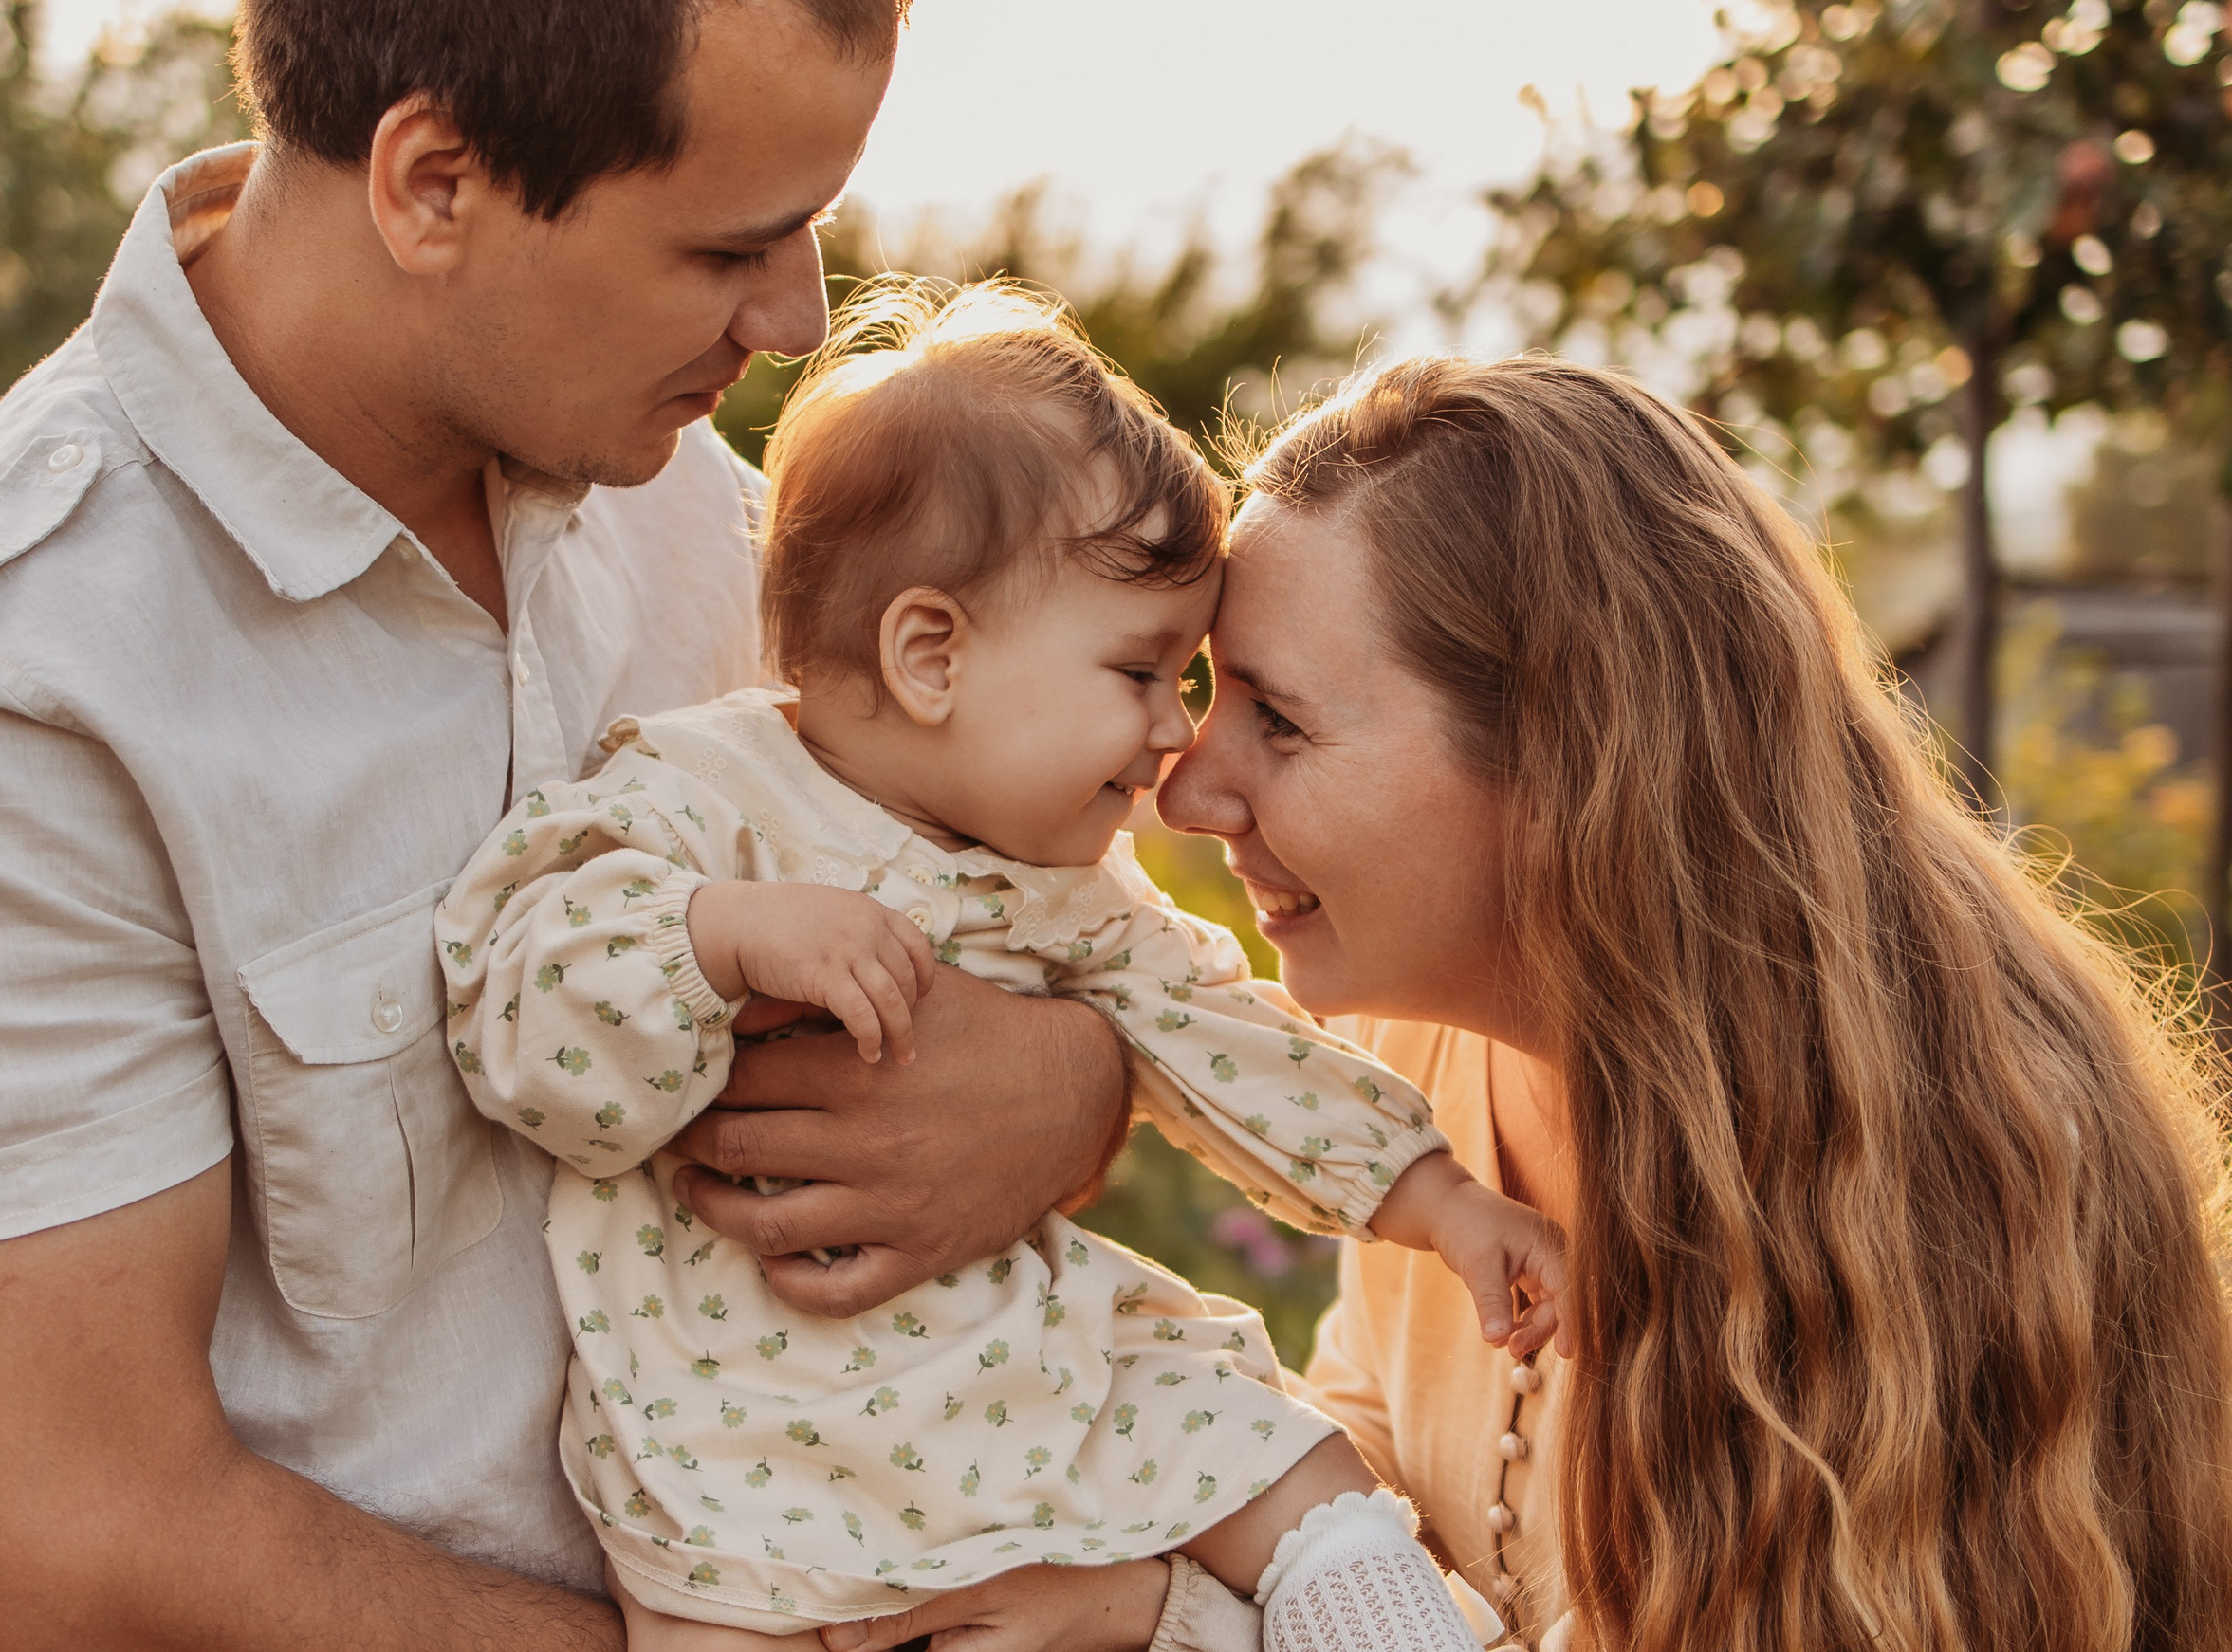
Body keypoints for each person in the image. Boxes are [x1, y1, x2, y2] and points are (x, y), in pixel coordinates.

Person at [0, 4, 1146, 1645]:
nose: (798, 320)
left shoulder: (680, 490)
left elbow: (1050, 921)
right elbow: (75, 1548)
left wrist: (1070, 1088)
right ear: (433, 184)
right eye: (730, 246)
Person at [834, 353, 2232, 1652]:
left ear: (1569, 766)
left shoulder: (1908, 1189)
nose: (1187, 789)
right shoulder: (1424, 1056)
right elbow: (1367, 1471)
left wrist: (1167, 1616)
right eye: (1205, 694)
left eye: (1282, 720)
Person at [435, 281, 1562, 1650]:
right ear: (931, 655)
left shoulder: (1077, 894)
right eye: (1144, 672)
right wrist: (714, 937)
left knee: (1280, 1457)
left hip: (1023, 1368)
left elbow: (1231, 1037)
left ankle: (1384, 1622)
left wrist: (1438, 1199)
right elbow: (521, 1018)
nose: (1176, 738)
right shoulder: (696, 798)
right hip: (735, 1422)